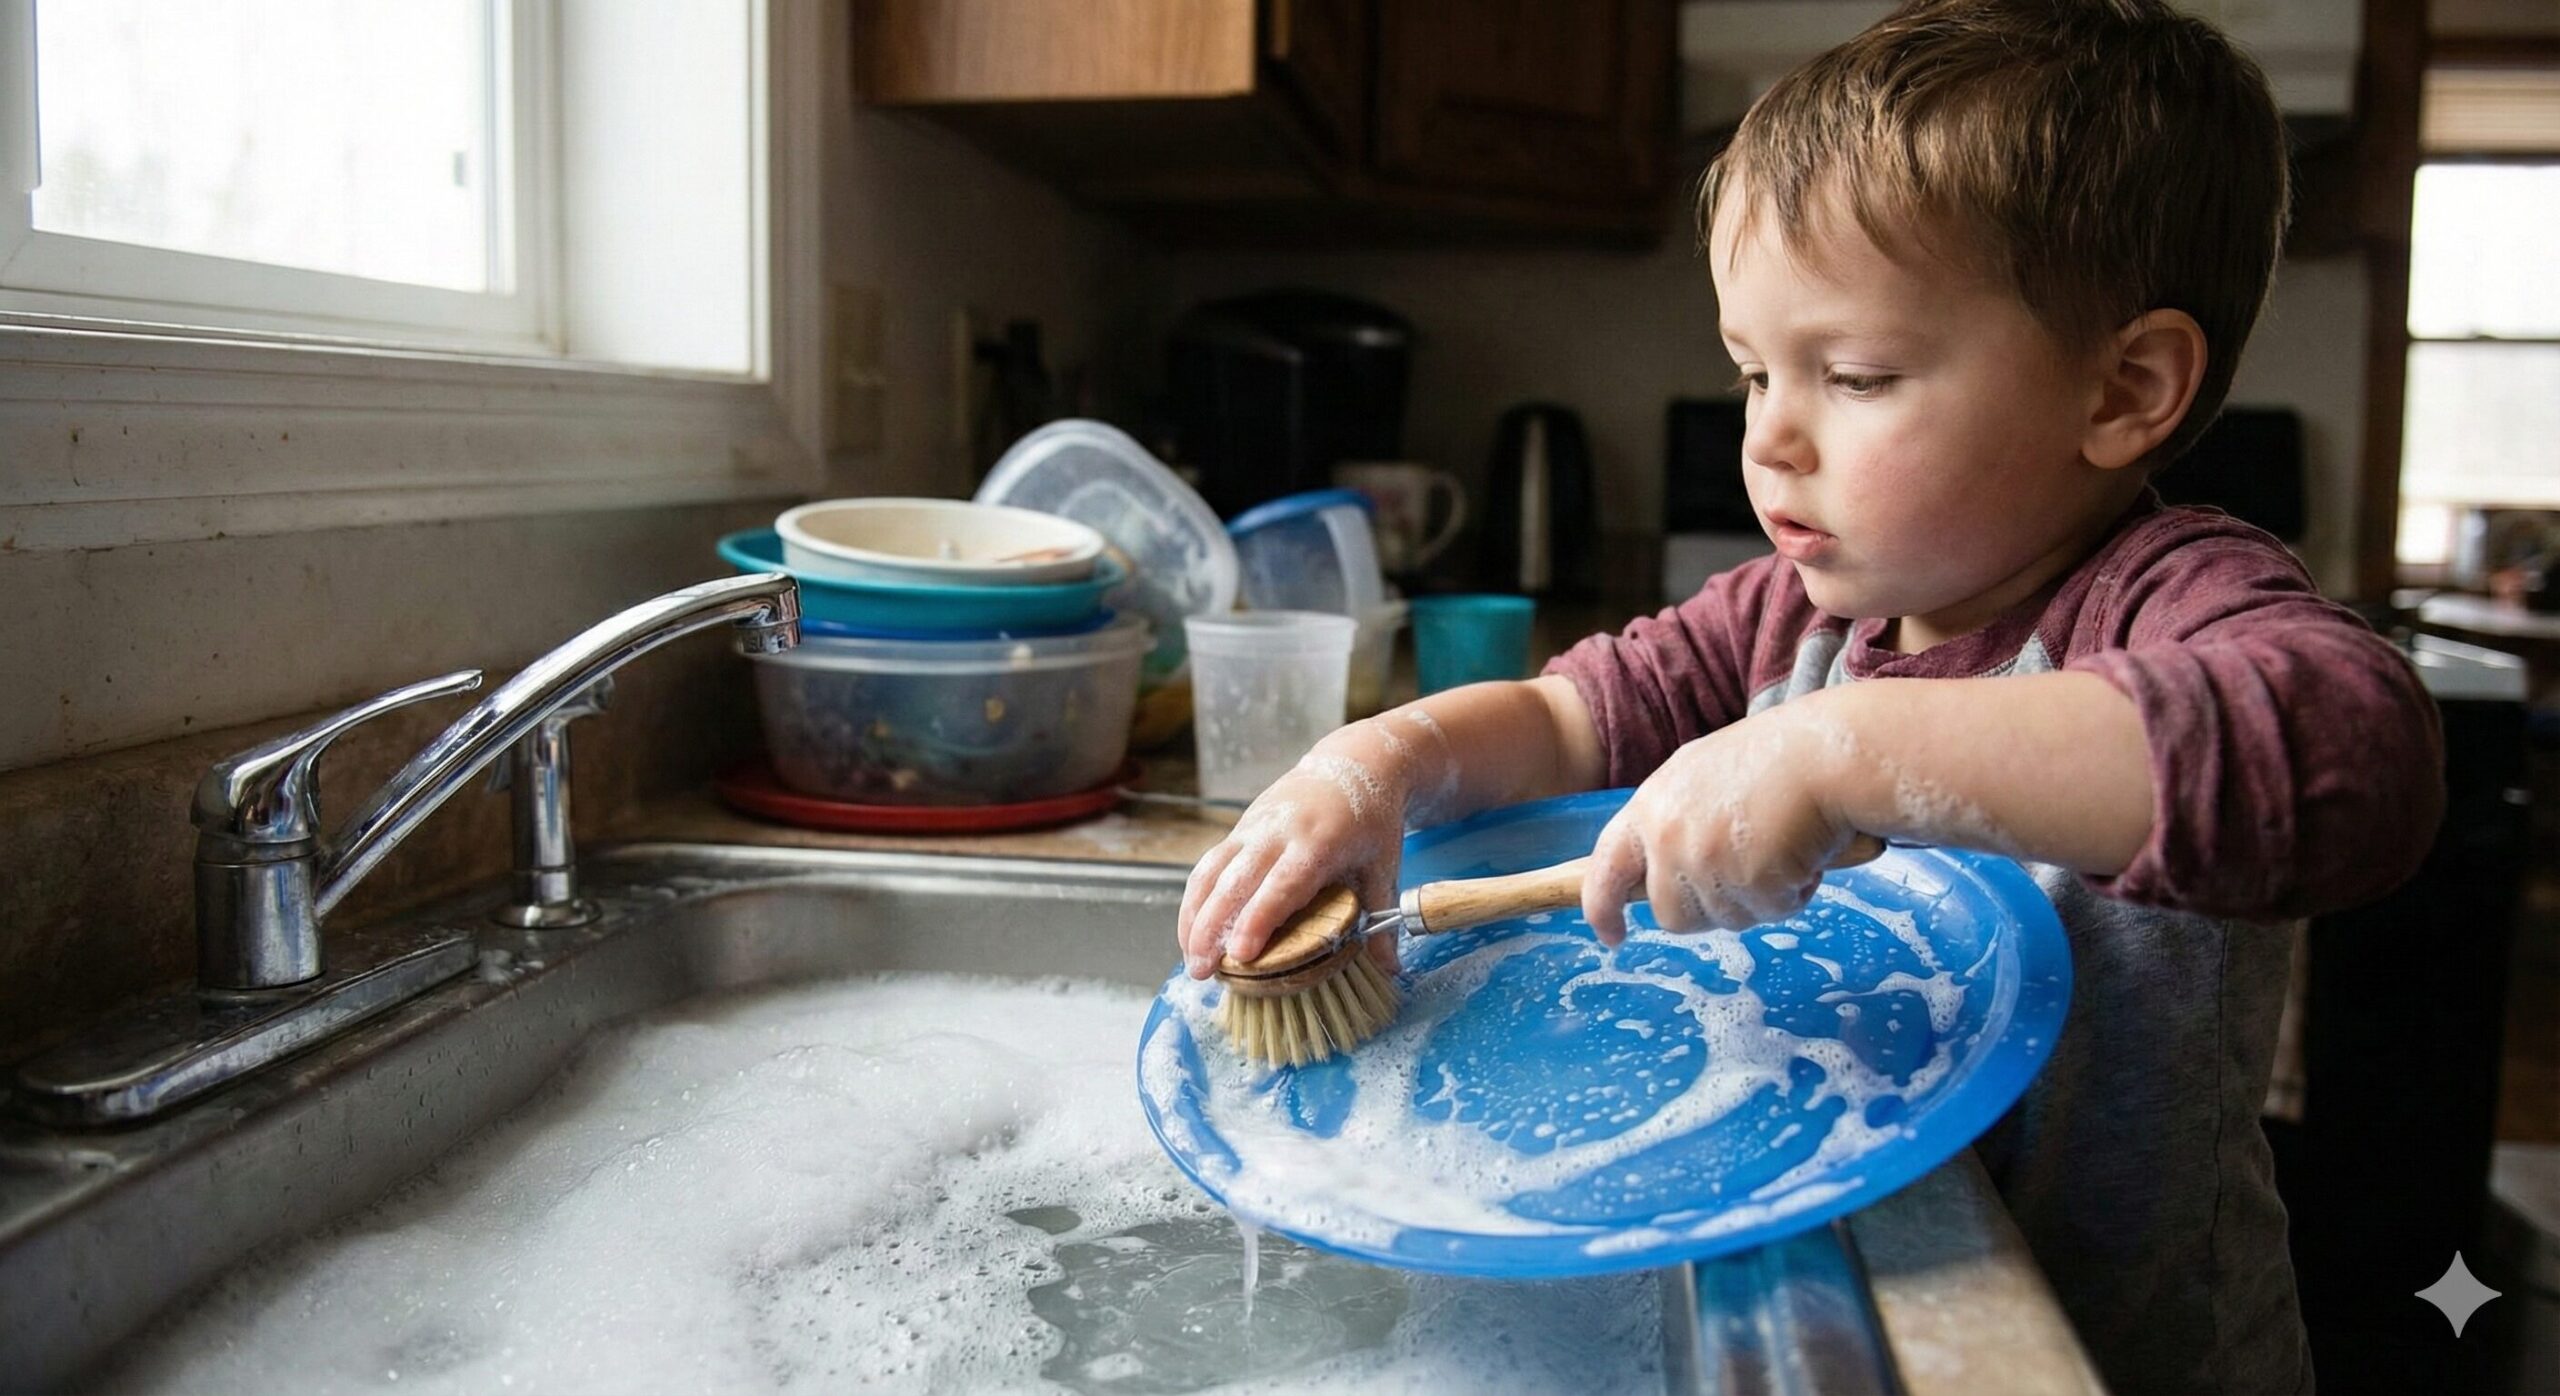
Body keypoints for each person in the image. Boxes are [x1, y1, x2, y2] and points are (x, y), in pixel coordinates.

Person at [1173, 0, 2445, 1390]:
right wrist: (1380, 763)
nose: (1768, 437)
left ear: (2124, 387)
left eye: (1854, 375)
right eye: (1752, 371)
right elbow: (1564, 717)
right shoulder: (1792, 618)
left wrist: (1852, 748)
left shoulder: (2162, 598)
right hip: (1840, 1252)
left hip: (2115, 1344)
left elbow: (2353, 753)